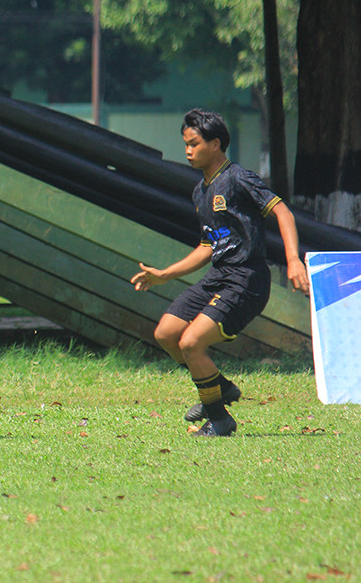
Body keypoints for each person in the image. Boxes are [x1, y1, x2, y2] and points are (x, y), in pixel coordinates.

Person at [130, 109, 310, 437]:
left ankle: (220, 418)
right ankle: (220, 388)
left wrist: (294, 259)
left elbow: (283, 212)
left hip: (247, 279)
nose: (187, 150)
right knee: (166, 334)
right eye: (185, 144)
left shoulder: (238, 178)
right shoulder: (200, 191)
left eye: (194, 144)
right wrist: (165, 274)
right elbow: (206, 247)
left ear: (215, 144)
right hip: (219, 275)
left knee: (191, 343)